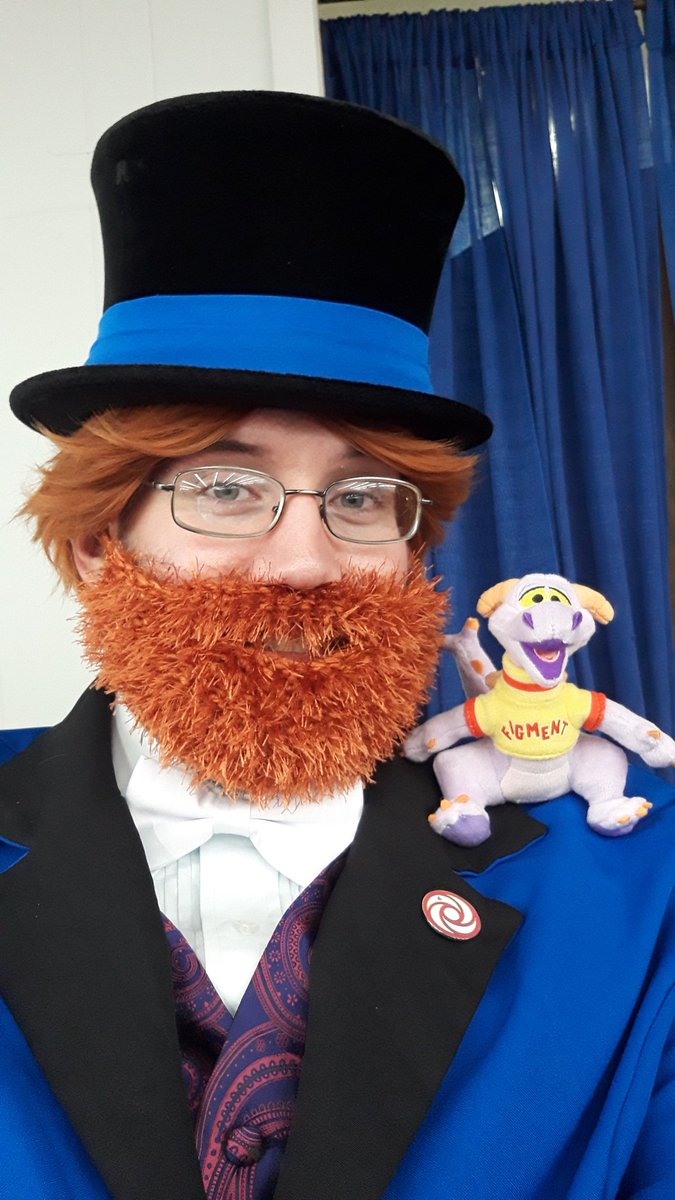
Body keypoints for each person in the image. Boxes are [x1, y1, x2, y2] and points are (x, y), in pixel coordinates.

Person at [0, 90, 673, 1200]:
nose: (308, 563)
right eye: (225, 487)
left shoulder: (638, 878)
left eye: (363, 498)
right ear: (95, 544)